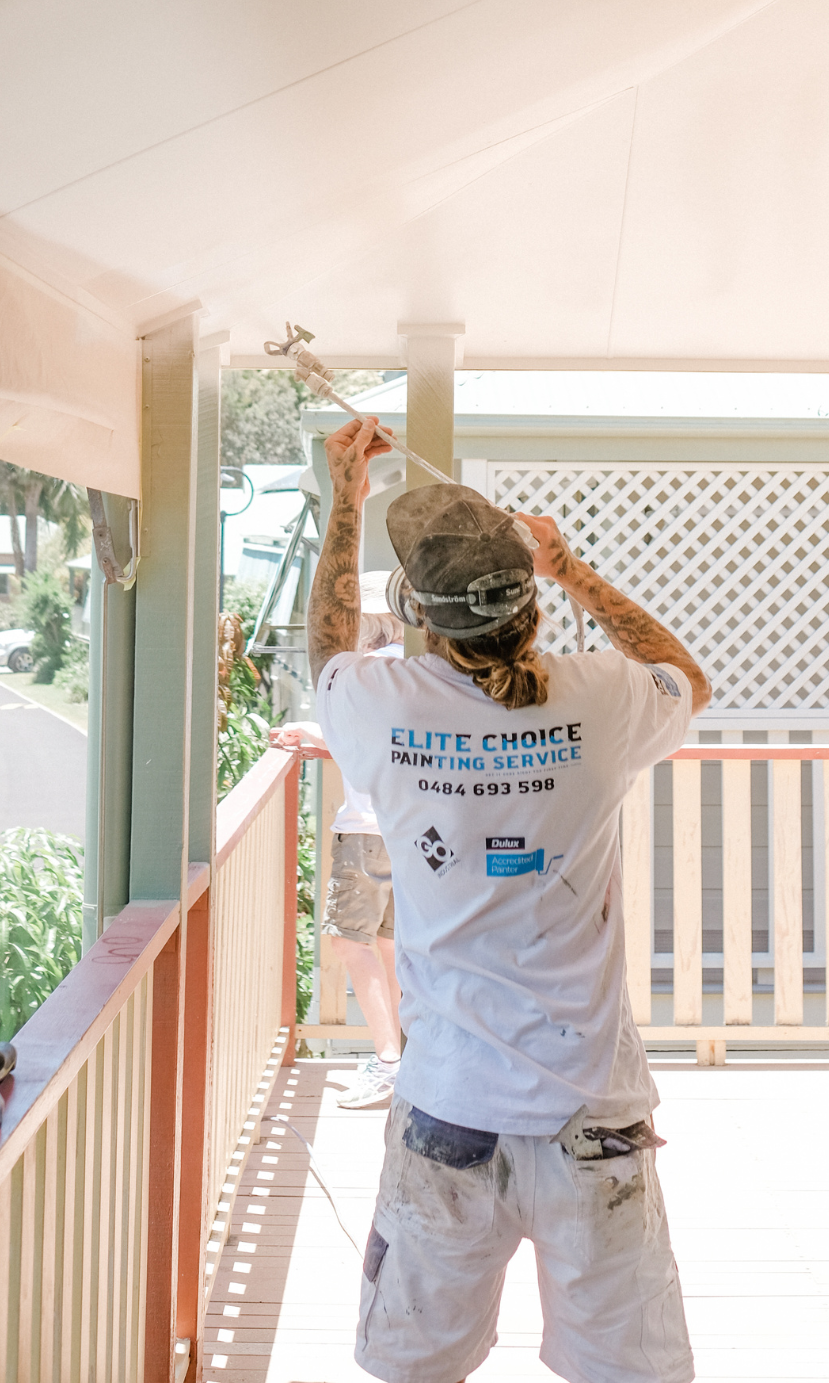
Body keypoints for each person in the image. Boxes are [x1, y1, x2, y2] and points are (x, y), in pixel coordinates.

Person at [305, 415, 711, 1383]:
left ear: (417, 613)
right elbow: (685, 678)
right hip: (594, 1118)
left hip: (448, 1107)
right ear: (529, 606)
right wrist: (572, 569)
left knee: (414, 1367)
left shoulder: (383, 705)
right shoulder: (602, 699)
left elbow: (324, 644)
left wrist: (345, 500)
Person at [273, 575, 405, 1110]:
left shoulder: (364, 673)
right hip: (410, 827)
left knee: (351, 942)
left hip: (367, 830)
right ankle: (405, 1058)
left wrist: (309, 731)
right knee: (395, 946)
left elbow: (359, 740)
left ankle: (388, 1061)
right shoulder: (411, 669)